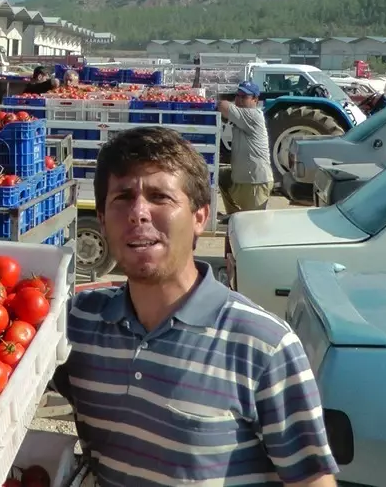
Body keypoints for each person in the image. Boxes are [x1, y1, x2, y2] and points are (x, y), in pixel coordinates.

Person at [55, 126, 338, 486]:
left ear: (200, 218)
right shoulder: (79, 322)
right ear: (103, 219)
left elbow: (312, 480)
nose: (138, 213)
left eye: (160, 197)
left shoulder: (263, 346)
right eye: (122, 197)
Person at [218, 79, 273, 218]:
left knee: (254, 226)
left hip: (255, 182)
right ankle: (234, 215)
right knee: (221, 176)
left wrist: (222, 101)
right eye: (237, 96)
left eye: (244, 97)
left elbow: (222, 106)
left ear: (255, 99)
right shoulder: (242, 117)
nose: (239, 100)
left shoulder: (252, 115)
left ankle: (237, 217)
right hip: (244, 179)